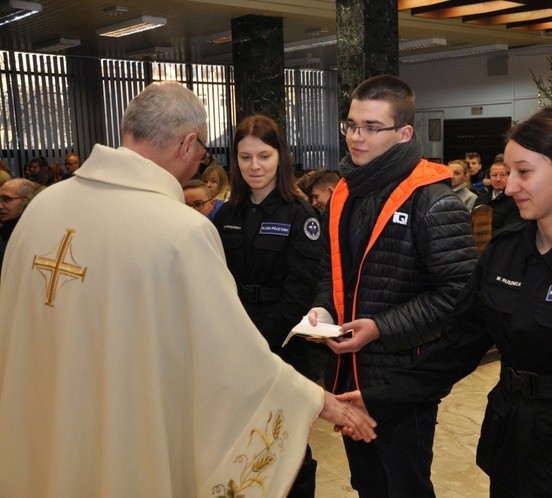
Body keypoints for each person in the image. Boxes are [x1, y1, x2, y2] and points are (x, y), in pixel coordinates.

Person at [0, 81, 376, 498]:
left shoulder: (41, 210)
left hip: (38, 428)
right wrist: (326, 403)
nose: (199, 163)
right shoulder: (178, 229)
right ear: (188, 144)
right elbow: (231, 352)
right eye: (201, 155)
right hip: (123, 429)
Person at [338, 106, 552, 497]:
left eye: (524, 172)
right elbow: (456, 347)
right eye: (508, 173)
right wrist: (378, 397)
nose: (509, 188)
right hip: (512, 446)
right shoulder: (504, 252)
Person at [308, 74, 477, 498]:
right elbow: (334, 271)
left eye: (370, 127)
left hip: (404, 375)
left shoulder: (434, 201)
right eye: (350, 125)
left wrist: (381, 326)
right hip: (348, 370)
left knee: (404, 486)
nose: (356, 137)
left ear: (404, 134)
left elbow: (457, 294)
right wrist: (324, 310)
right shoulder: (346, 191)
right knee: (368, 483)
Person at [212, 114, 324, 497]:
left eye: (264, 155)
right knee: (241, 444)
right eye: (245, 158)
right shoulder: (228, 214)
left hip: (280, 346)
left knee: (286, 443)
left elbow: (300, 293)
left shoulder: (300, 215)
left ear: (281, 158)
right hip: (234, 340)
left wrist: (258, 347)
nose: (254, 166)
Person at [0, 178, 44, 277]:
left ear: (27, 200)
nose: (0, 206)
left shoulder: (32, 234)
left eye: (7, 199)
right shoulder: (7, 229)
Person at [474, 157, 525, 236]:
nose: (498, 179)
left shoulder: (516, 200)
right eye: (494, 175)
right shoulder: (480, 199)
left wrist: (487, 238)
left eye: (503, 175)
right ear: (489, 177)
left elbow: (512, 229)